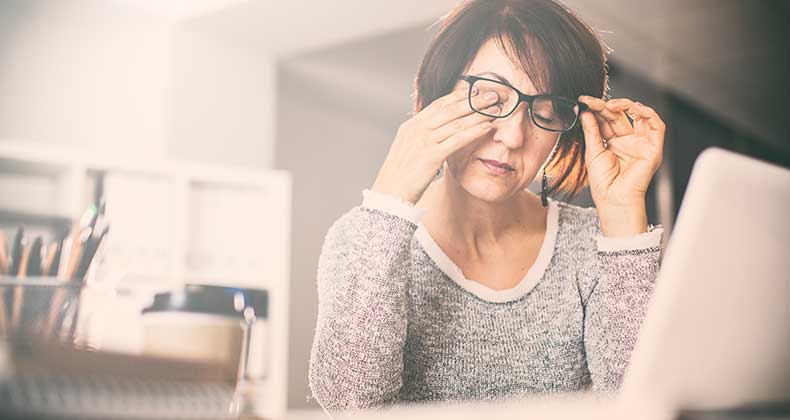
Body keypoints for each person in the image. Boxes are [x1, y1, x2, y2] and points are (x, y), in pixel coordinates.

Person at [308, 0, 666, 413]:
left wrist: (623, 215)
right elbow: (350, 402)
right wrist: (389, 201)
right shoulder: (361, 237)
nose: (513, 136)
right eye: (491, 98)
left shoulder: (591, 244)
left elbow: (643, 403)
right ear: (436, 94)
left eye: (544, 112)